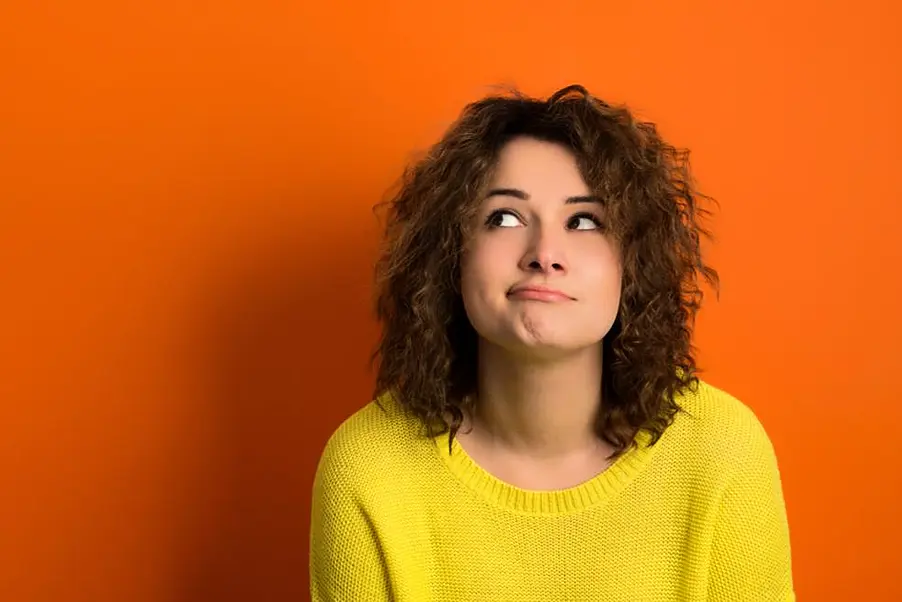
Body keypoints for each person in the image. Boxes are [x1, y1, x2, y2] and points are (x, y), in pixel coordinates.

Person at [309, 84, 795, 601]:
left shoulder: (720, 452)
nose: (545, 253)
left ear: (633, 267)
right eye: (504, 218)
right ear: (452, 256)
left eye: (584, 221)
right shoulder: (369, 466)